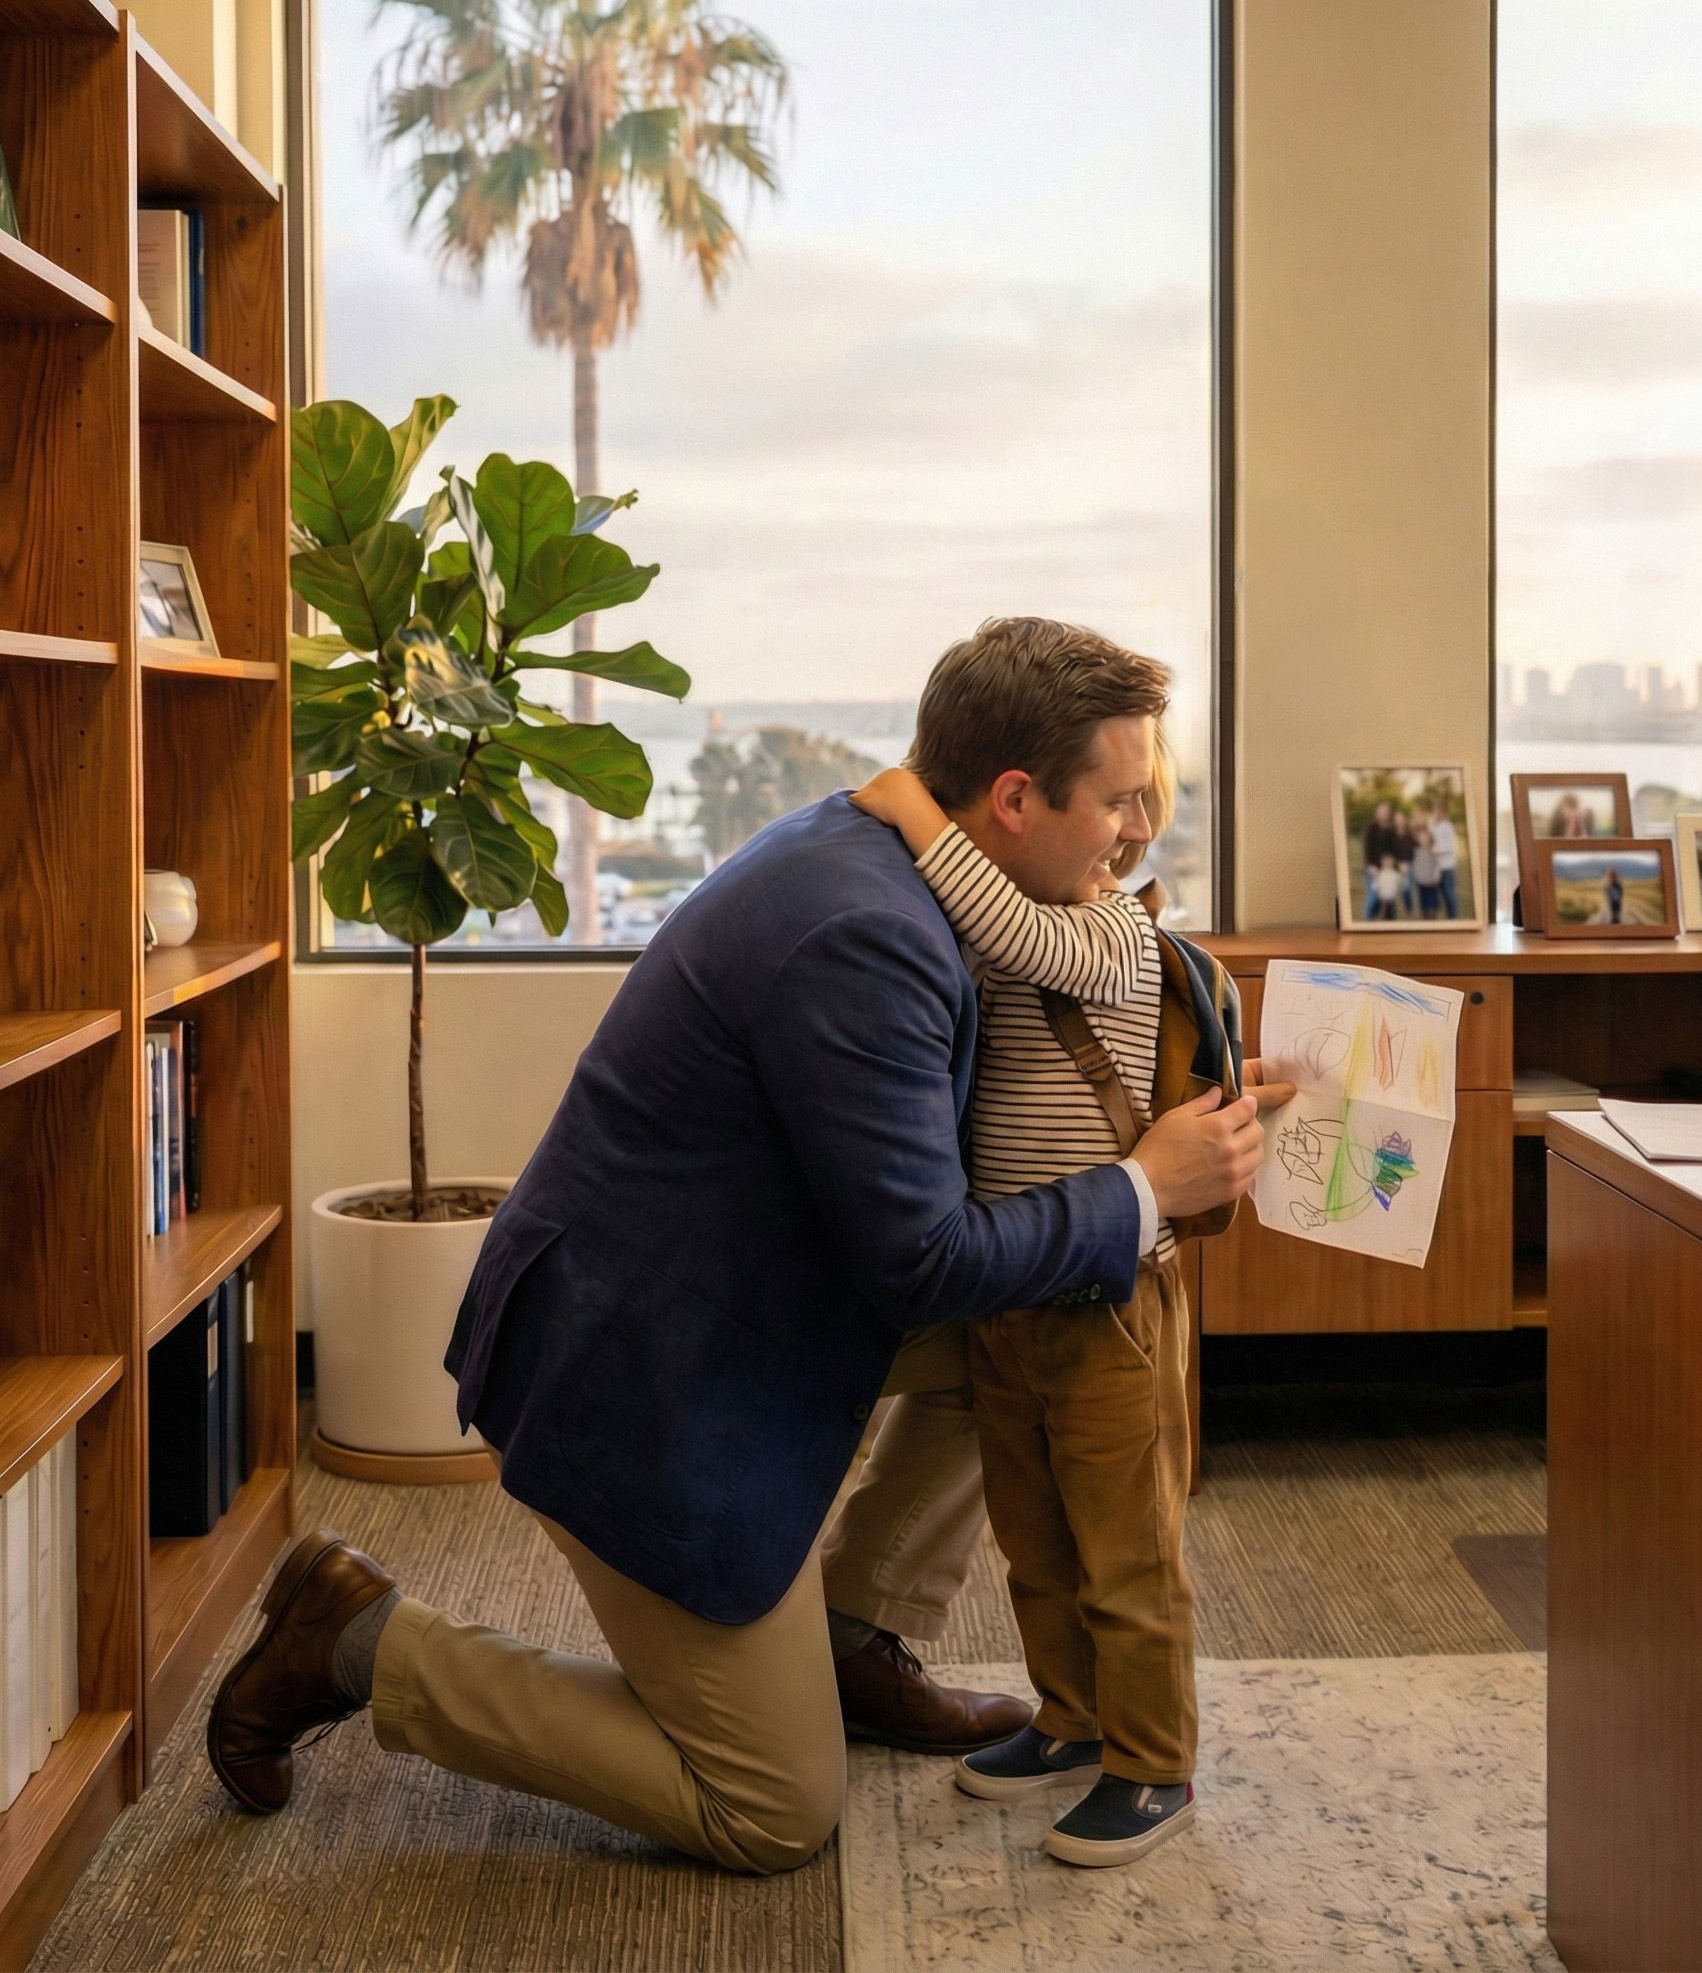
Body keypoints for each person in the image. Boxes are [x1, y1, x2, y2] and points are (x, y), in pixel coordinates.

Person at [207, 619, 1271, 1874]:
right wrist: (1144, 1189)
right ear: (1012, 798)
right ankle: (358, 1639)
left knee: (1039, 1328)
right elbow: (921, 1261)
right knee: (769, 1806)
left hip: (735, 1294)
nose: (1142, 829)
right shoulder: (867, 938)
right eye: (1122, 799)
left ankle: (849, 1637)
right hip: (644, 1375)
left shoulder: (893, 854)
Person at [850, 748, 1281, 1867]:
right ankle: (1070, 1719)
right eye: (1113, 805)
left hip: (1106, 1302)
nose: (1123, 830)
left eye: (1138, 813)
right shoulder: (1009, 927)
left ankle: (1152, 1761)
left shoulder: (1109, 939)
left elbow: (1010, 932)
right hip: (1010, 1297)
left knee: (1125, 1550)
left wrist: (911, 813)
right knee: (1032, 1540)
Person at [1361, 800, 1399, 920]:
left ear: (1389, 814)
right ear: (1376, 813)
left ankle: (1389, 926)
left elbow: (1394, 851)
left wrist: (1393, 867)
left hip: (1387, 870)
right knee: (1373, 898)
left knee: (1388, 900)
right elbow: (1367, 849)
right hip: (1373, 869)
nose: (1384, 814)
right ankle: (1368, 925)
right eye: (1381, 811)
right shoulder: (1371, 828)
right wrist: (1371, 866)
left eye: (1386, 811)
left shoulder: (1391, 830)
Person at [1427, 801, 1461, 919]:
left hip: (1447, 867)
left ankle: (1454, 919)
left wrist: (1434, 850)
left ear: (1443, 812)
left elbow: (1451, 846)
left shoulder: (1448, 826)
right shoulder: (1432, 826)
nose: (1436, 813)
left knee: (1449, 894)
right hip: (1436, 868)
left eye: (1438, 811)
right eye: (1434, 811)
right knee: (1437, 896)